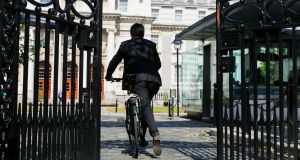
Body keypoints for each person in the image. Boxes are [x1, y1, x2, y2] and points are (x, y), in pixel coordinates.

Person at [105, 23, 162, 156]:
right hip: (154, 80)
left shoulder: (126, 44)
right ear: (142, 33)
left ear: (131, 33)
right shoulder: (151, 44)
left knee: (145, 106)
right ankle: (141, 138)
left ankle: (155, 134)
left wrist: (108, 75)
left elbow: (115, 61)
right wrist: (150, 72)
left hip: (137, 80)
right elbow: (158, 64)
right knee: (145, 105)